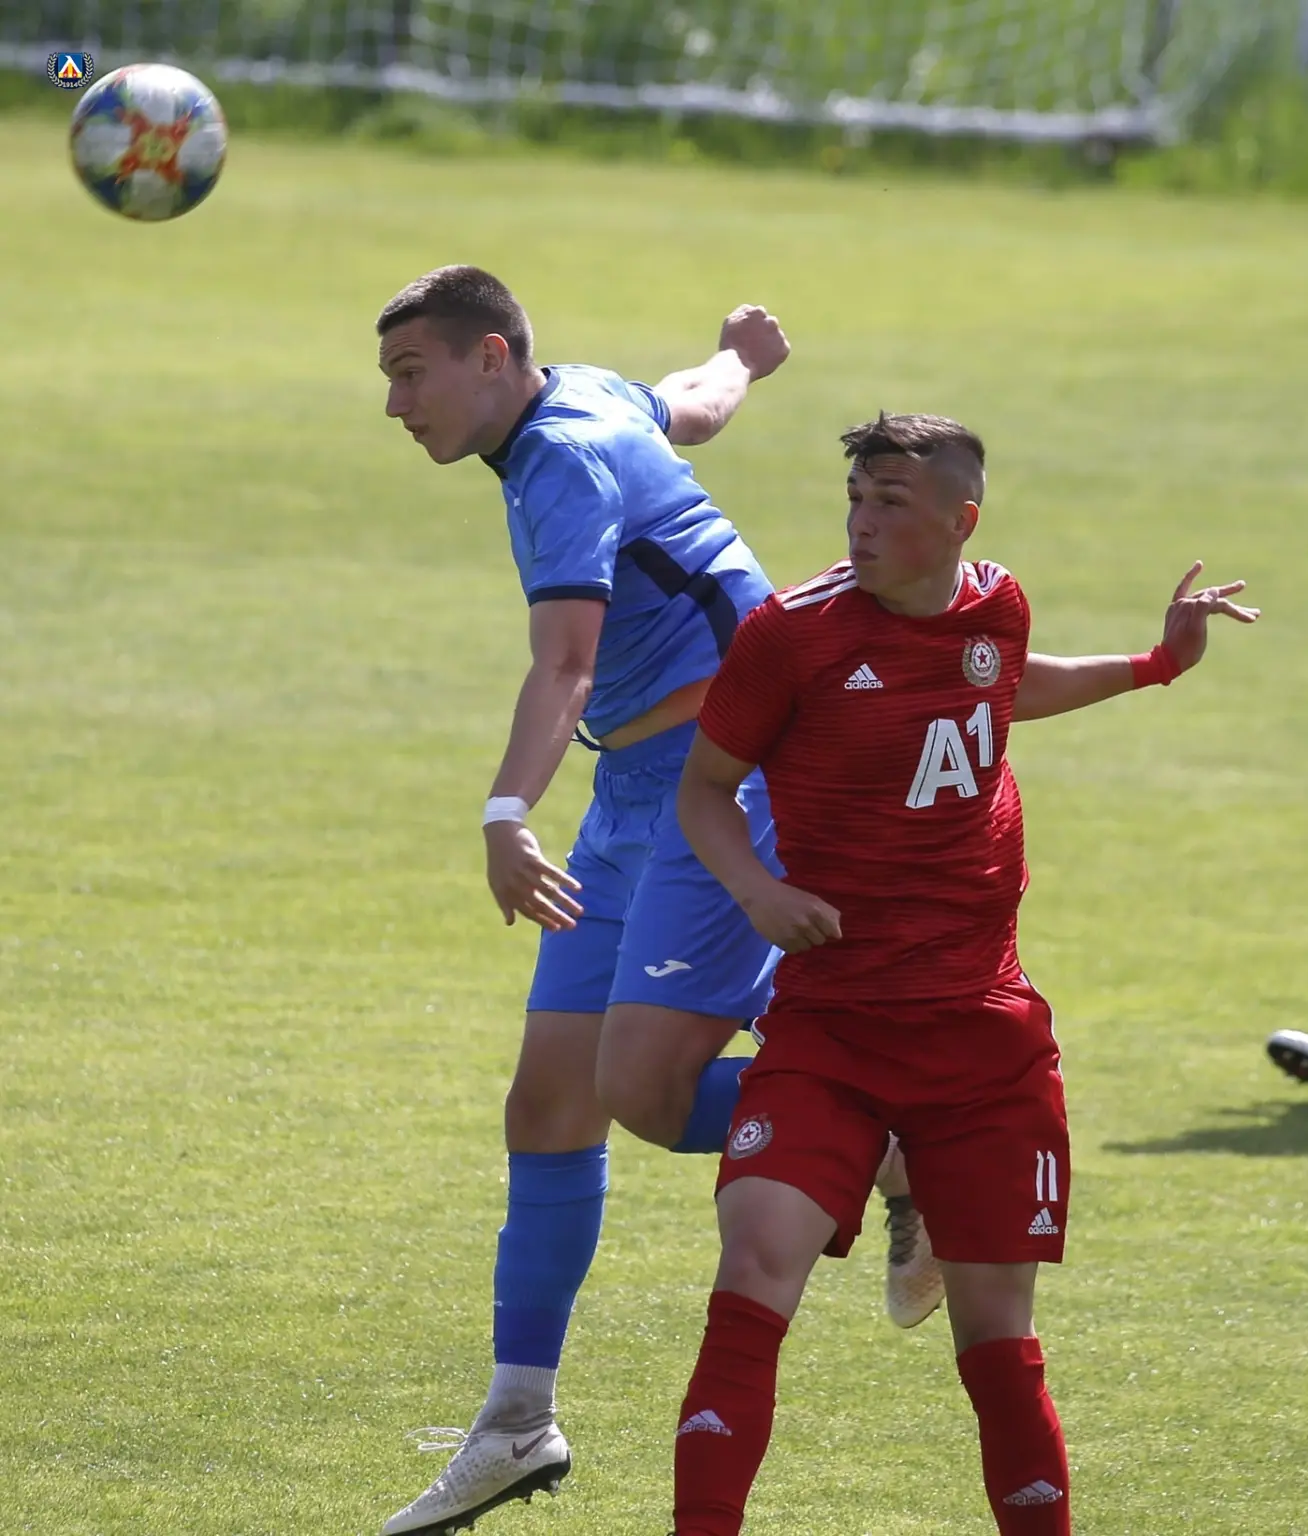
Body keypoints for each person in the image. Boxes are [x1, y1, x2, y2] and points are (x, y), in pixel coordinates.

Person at [668, 412, 1258, 1536]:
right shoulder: (789, 636)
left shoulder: (997, 605)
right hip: (831, 1028)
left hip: (982, 1038)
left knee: (997, 1339)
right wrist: (756, 890)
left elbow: (1004, 686)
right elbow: (702, 788)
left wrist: (1154, 666)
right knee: (753, 1270)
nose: (860, 523)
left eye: (890, 503)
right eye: (856, 498)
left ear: (959, 522)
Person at [373, 264, 836, 1536]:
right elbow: (692, 404)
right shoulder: (583, 395)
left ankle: (900, 1144)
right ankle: (518, 1421)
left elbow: (566, 665)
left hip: (722, 783)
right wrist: (741, 356)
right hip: (636, 788)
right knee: (550, 1102)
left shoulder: (561, 457)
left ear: (490, 357)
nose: (397, 405)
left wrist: (504, 812)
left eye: (411, 374)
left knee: (650, 1090)